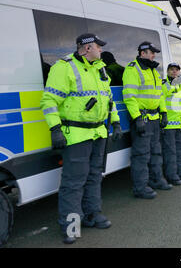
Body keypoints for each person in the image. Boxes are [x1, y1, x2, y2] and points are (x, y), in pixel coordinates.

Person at [40, 33, 123, 244]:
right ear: (87, 48)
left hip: (98, 133)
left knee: (95, 176)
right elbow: (49, 100)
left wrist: (115, 122)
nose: (101, 50)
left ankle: (92, 215)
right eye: (98, 47)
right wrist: (55, 129)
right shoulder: (64, 67)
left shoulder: (100, 68)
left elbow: (108, 100)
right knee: (73, 183)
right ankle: (71, 226)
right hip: (76, 135)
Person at [123, 41, 172, 201]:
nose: (154, 55)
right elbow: (129, 96)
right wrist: (137, 118)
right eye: (152, 52)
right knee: (141, 155)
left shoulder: (153, 71)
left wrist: (163, 113)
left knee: (156, 151)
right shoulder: (133, 69)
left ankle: (156, 180)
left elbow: (160, 95)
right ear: (143, 52)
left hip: (154, 118)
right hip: (142, 118)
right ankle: (140, 187)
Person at [161, 63, 181, 186]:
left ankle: (180, 171)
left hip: (178, 124)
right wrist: (163, 116)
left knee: (180, 150)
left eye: (176, 70)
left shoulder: (180, 85)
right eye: (171, 70)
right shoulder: (164, 85)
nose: (174, 72)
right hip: (168, 125)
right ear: (168, 71)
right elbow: (161, 101)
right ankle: (171, 175)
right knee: (170, 151)